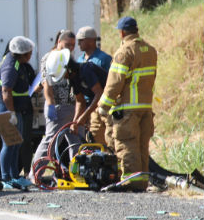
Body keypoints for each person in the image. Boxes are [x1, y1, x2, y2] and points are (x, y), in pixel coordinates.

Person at [97, 16, 157, 191]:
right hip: (145, 107)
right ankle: (141, 183)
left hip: (127, 109)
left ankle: (130, 182)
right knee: (141, 147)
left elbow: (115, 82)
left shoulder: (124, 52)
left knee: (127, 145)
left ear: (122, 32)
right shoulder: (150, 50)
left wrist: (103, 106)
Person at [30, 30, 80, 174]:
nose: (70, 47)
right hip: (57, 106)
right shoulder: (49, 58)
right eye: (67, 44)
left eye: (72, 45)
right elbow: (46, 84)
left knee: (75, 143)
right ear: (59, 42)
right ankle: (35, 174)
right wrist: (51, 104)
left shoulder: (68, 57)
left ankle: (76, 175)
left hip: (71, 107)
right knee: (50, 142)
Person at [0, 35, 35, 189]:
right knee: (9, 144)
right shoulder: (10, 65)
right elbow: (6, 91)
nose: (31, 55)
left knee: (15, 143)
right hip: (4, 107)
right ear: (22, 54)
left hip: (11, 107)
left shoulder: (15, 62)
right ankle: (5, 178)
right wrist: (11, 113)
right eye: (29, 52)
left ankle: (14, 176)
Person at [45, 48, 107, 145]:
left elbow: (99, 94)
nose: (64, 77)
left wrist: (84, 116)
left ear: (69, 69)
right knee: (95, 139)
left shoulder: (87, 69)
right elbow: (80, 101)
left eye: (63, 74)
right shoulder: (73, 78)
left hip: (111, 106)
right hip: (99, 108)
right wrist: (75, 122)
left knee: (110, 139)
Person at [76, 26, 112, 145]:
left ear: (91, 40)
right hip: (86, 106)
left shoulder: (104, 59)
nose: (78, 43)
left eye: (81, 40)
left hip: (100, 106)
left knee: (101, 140)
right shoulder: (79, 60)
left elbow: (110, 83)